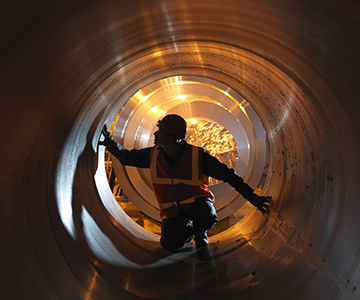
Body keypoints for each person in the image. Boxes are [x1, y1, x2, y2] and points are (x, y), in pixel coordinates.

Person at [99, 114, 271, 250]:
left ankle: (200, 232)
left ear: (174, 138)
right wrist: (110, 143)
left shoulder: (198, 157)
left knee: (207, 215)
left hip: (198, 205)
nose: (155, 133)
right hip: (174, 211)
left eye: (161, 131)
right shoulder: (153, 155)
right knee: (169, 245)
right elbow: (126, 157)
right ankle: (187, 232)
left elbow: (229, 176)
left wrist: (253, 198)